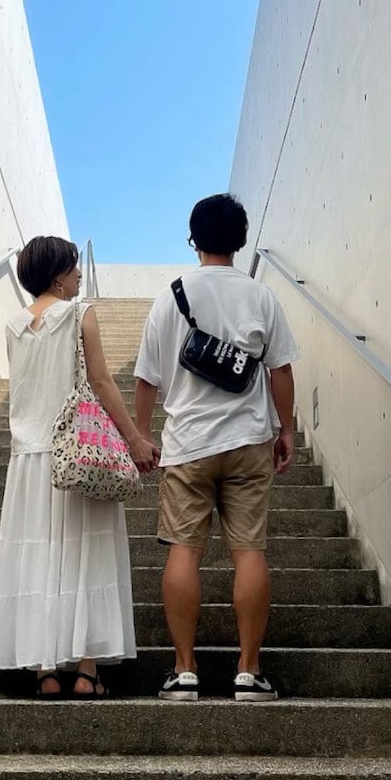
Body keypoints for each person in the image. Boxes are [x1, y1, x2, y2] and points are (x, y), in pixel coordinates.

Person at [134, 194, 299, 702]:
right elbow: (281, 370)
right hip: (249, 441)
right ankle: (248, 671)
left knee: (184, 552)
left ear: (193, 239)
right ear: (241, 240)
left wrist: (142, 434)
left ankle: (184, 670)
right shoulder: (261, 297)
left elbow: (145, 376)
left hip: (188, 444)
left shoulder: (171, 297)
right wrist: (286, 430)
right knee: (248, 552)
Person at [0, 236, 159, 698]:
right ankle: (85, 671)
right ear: (58, 275)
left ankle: (45, 671)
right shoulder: (81, 314)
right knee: (86, 556)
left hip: (29, 461)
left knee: (37, 560)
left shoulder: (14, 325)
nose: (79, 274)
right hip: (78, 455)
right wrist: (135, 439)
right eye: (73, 267)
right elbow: (101, 381)